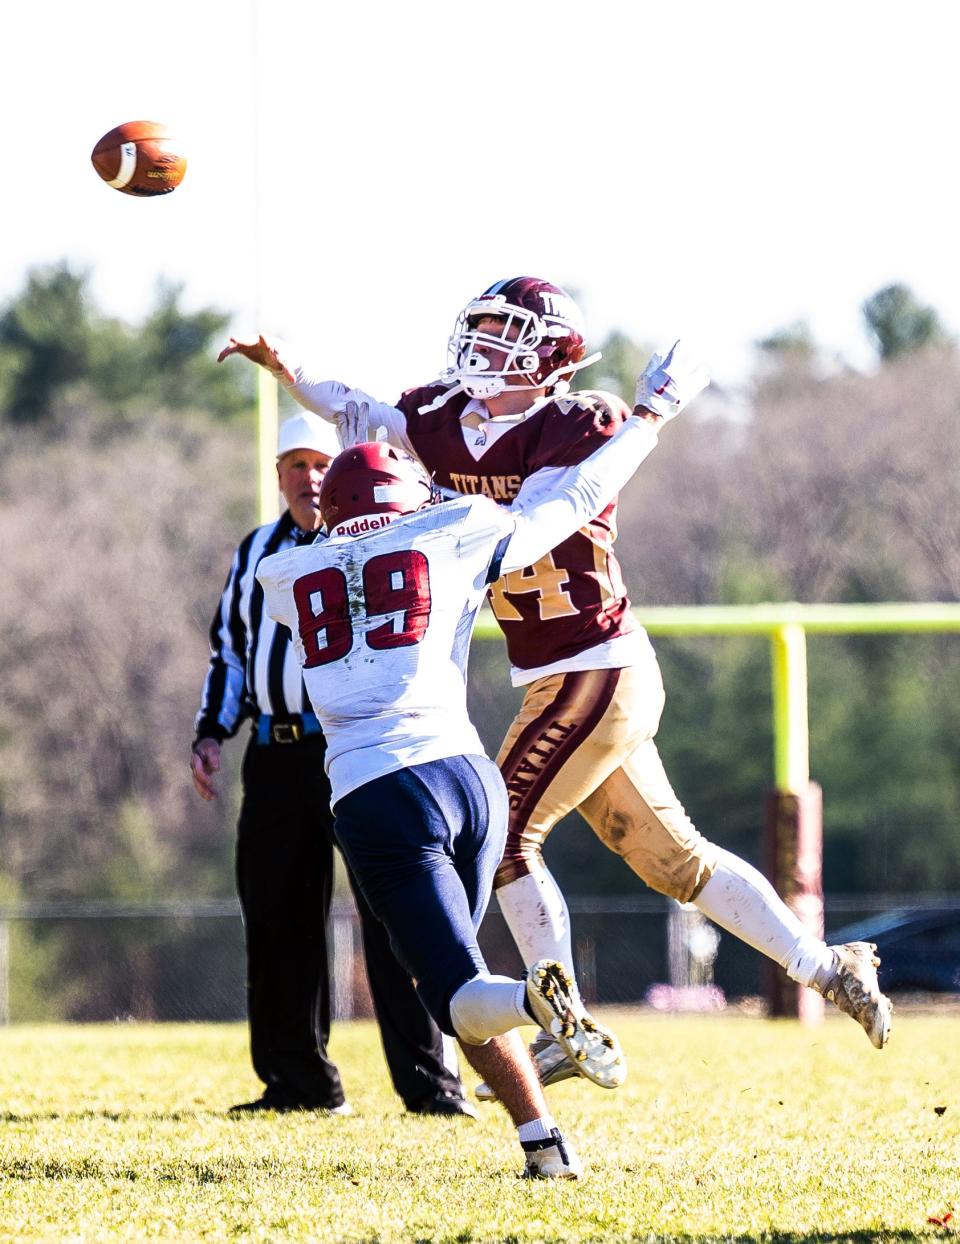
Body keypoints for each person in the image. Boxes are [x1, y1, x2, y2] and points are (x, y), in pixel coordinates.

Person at [219, 277, 892, 1099]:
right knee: (674, 861)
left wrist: (648, 418)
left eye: (507, 334)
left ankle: (566, 1021)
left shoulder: (581, 425)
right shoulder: (443, 421)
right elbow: (358, 411)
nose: (485, 348)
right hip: (558, 675)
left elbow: (541, 515)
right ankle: (829, 965)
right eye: (483, 328)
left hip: (593, 664)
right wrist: (289, 367)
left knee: (505, 837)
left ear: (553, 357)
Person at [254, 401, 674, 1177]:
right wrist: (647, 420)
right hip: (471, 781)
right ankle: (543, 1146)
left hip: (378, 790)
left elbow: (325, 569)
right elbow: (573, 502)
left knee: (459, 996)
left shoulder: (283, 570)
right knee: (460, 979)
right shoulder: (455, 529)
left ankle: (538, 1003)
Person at [191, 410, 476, 1117]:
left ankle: (431, 1086)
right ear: (279, 475)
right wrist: (210, 731)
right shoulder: (257, 548)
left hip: (356, 746)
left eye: (322, 464)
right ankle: (298, 1082)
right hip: (276, 755)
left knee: (397, 916)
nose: (310, 478)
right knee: (278, 919)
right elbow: (231, 649)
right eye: (295, 465)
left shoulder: (381, 538)